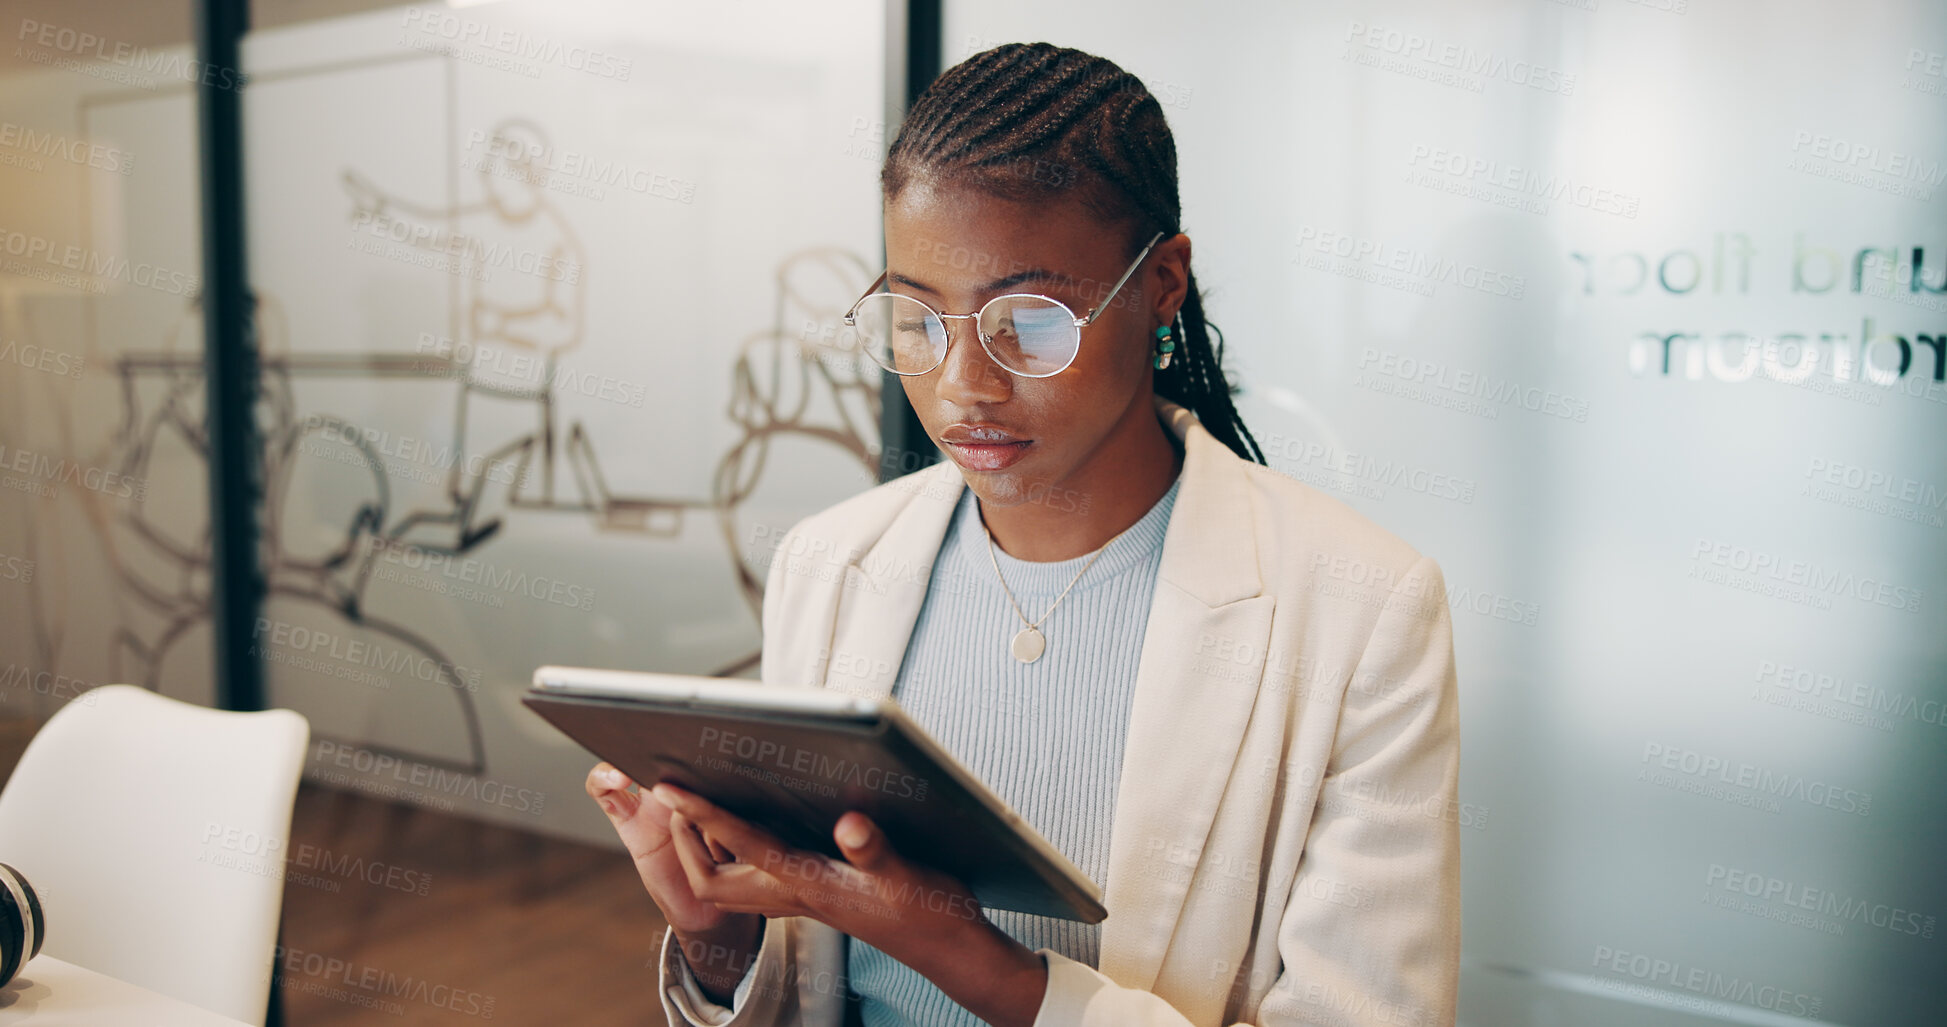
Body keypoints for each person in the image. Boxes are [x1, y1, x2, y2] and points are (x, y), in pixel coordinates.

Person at [585, 41, 1460, 1027]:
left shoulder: (1361, 609)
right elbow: (811, 990)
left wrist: (987, 970)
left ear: (1163, 282)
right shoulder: (831, 562)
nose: (964, 385)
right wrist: (722, 947)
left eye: (1031, 320)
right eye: (916, 319)